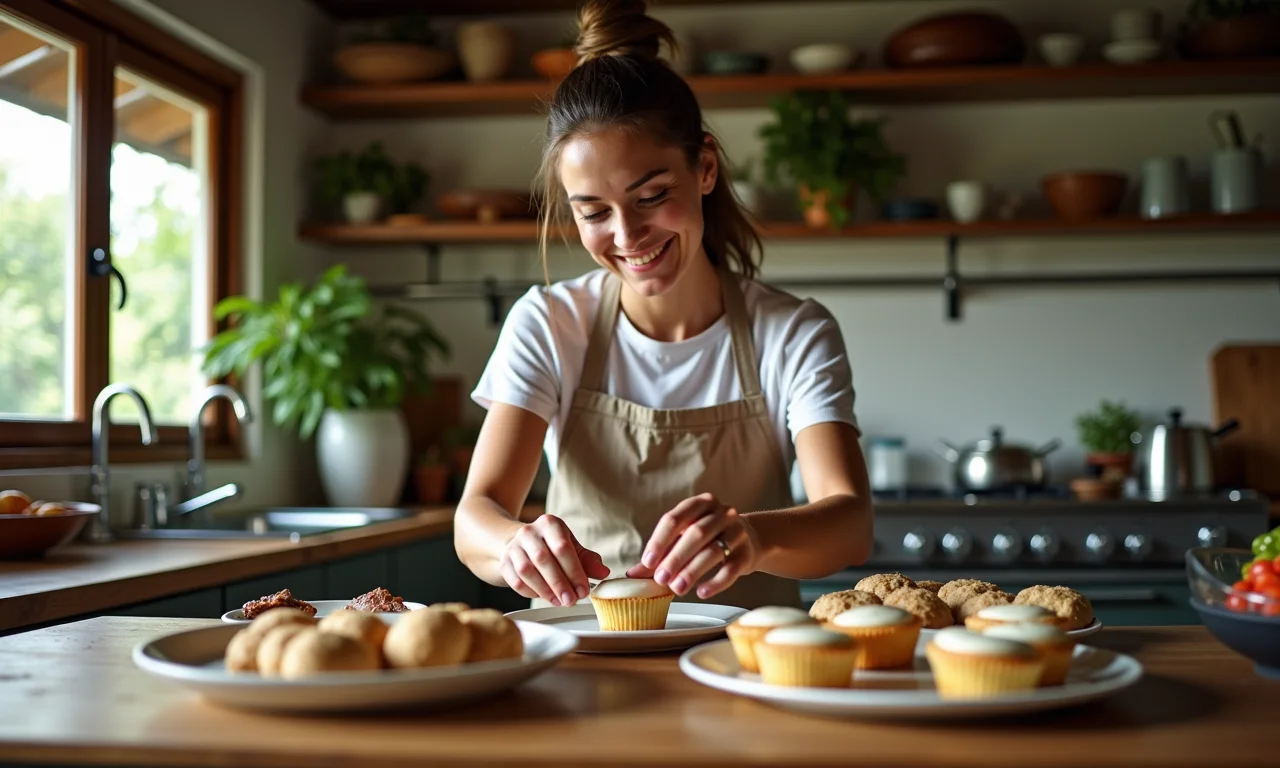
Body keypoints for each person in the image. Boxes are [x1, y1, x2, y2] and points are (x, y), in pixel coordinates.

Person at [454, 0, 873, 611]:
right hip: (582, 663)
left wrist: (754, 538)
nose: (627, 236)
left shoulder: (791, 331)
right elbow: (475, 517)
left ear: (704, 168)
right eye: (594, 212)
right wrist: (514, 543)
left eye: (652, 196)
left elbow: (849, 522)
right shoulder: (548, 324)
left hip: (745, 664)